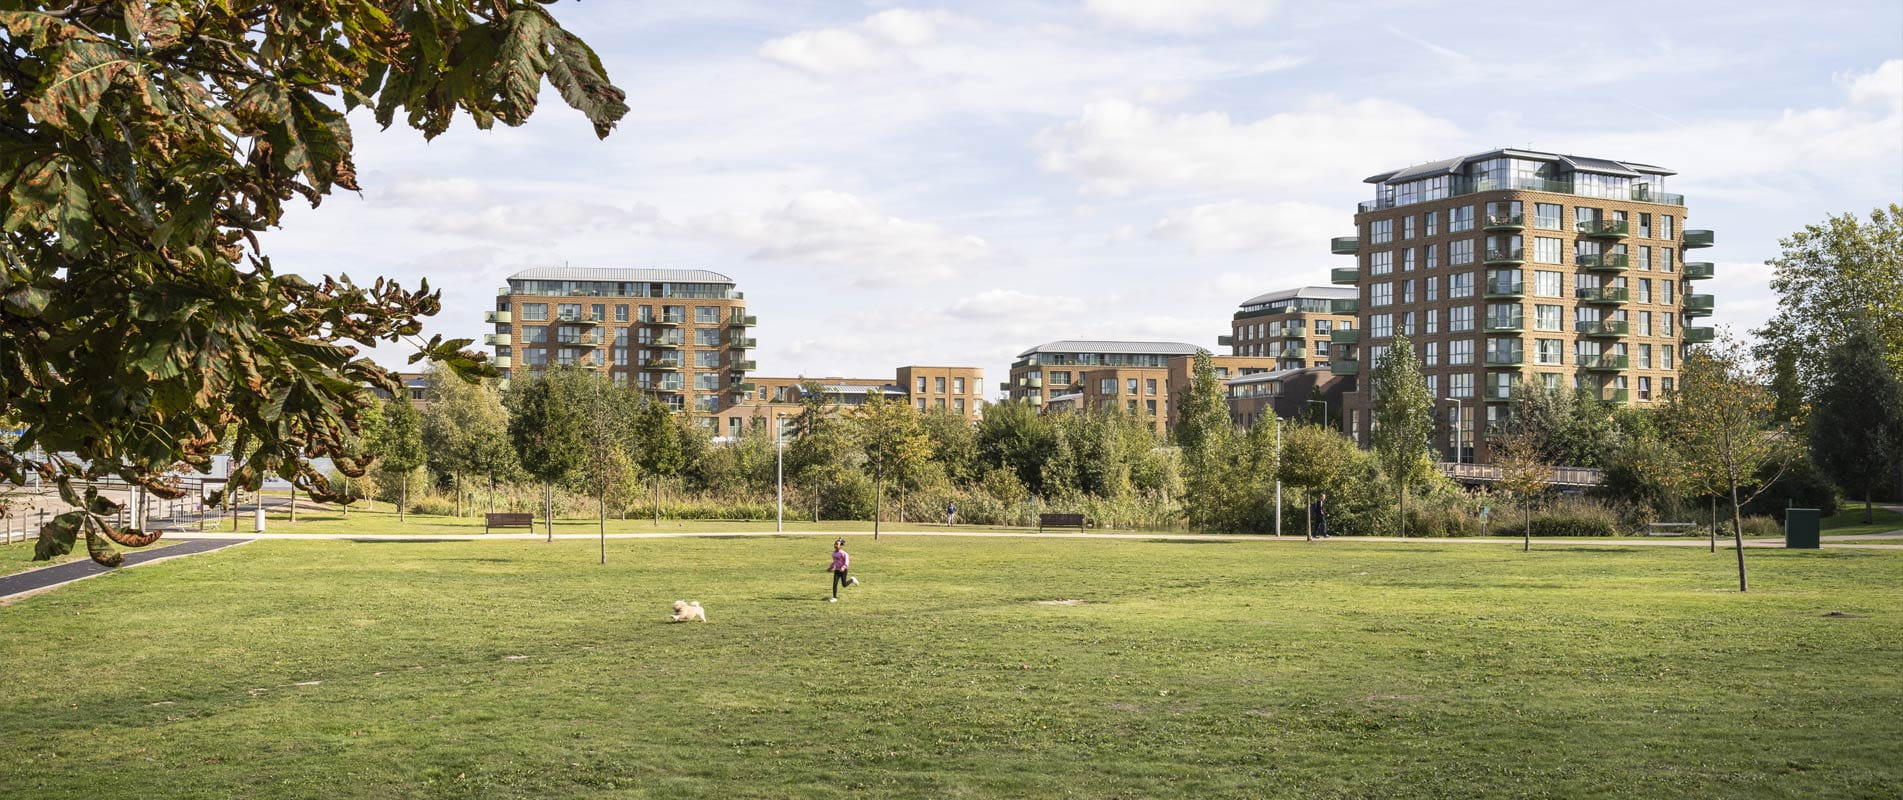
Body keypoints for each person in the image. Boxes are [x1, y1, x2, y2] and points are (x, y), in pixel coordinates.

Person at [827, 538, 859, 602]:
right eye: (835, 544)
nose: (835, 545)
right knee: (835, 583)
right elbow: (834, 562)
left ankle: (852, 580)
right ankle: (834, 598)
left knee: (844, 584)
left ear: (841, 546)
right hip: (837, 570)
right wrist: (831, 567)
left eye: (837, 544)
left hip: (843, 571)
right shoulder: (833, 553)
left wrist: (843, 568)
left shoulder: (844, 553)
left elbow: (846, 563)